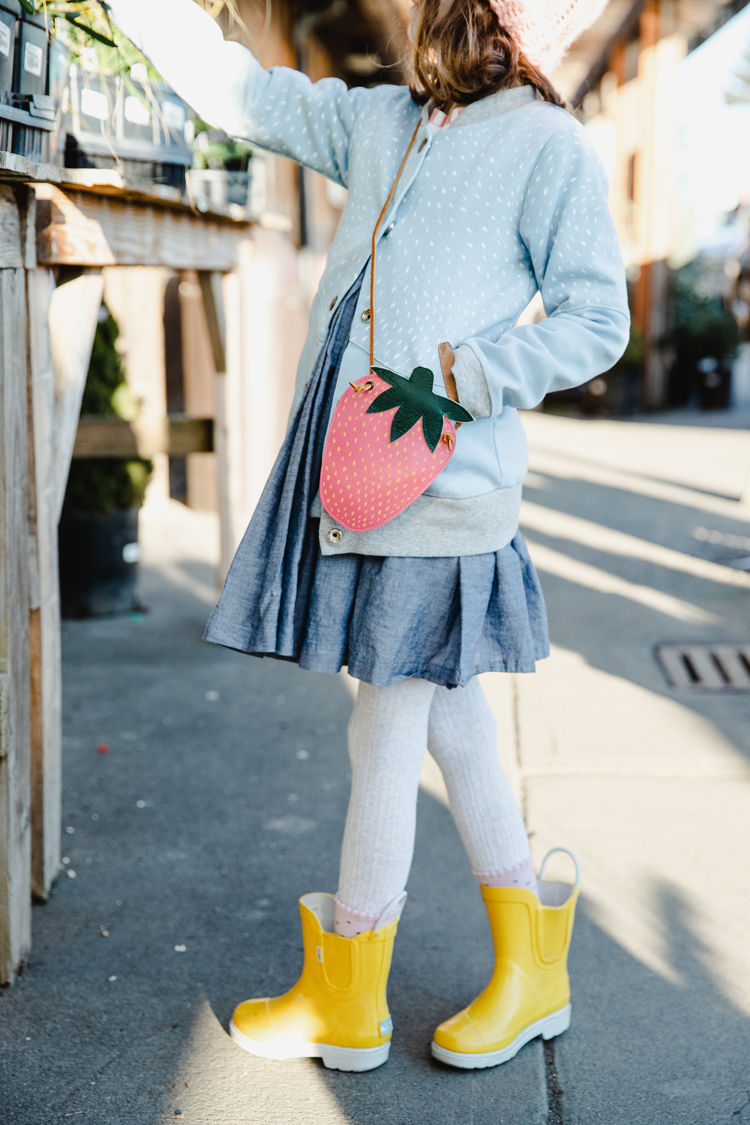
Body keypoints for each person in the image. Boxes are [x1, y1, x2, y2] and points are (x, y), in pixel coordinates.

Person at [108, 0, 627, 1073]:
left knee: (384, 728)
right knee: (450, 723)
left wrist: (463, 376)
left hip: (438, 484)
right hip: (360, 478)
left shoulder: (548, 144)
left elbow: (597, 318)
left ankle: (351, 993)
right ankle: (533, 970)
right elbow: (247, 94)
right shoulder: (384, 119)